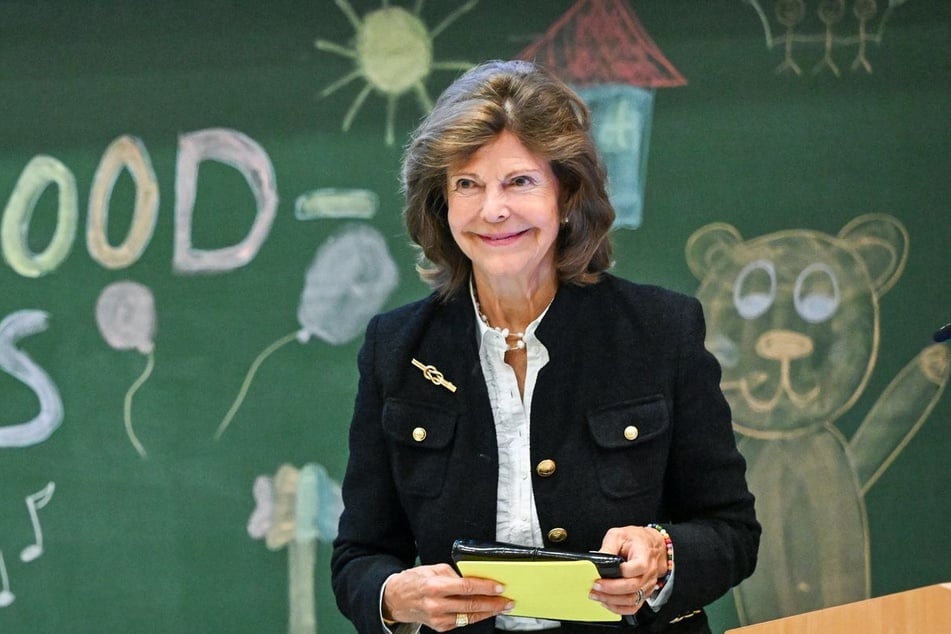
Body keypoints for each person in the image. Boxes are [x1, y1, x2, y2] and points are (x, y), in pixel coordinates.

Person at [331, 59, 760, 634]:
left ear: (567, 196)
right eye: (467, 184)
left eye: (520, 181)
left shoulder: (661, 330)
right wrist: (394, 596)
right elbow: (359, 555)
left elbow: (731, 528)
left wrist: (662, 553)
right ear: (441, 204)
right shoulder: (396, 348)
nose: (493, 210)